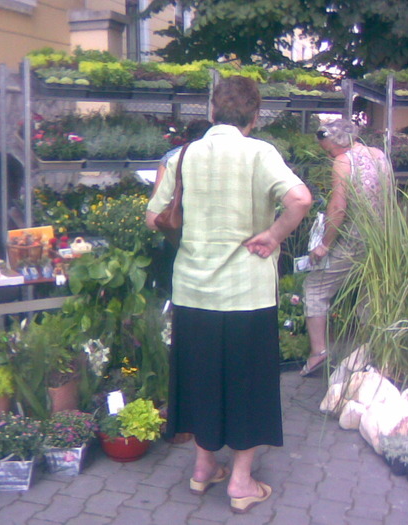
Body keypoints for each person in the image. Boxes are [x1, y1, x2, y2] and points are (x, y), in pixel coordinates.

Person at [146, 76, 311, 514]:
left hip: (194, 290)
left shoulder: (186, 154)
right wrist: (274, 235)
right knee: (246, 383)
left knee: (200, 376)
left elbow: (152, 217)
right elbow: (300, 199)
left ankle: (203, 469)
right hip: (246, 293)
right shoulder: (260, 152)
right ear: (255, 117)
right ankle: (240, 482)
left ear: (213, 111)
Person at [301, 119, 391, 376]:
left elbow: (338, 207)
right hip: (380, 236)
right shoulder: (379, 156)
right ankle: (370, 355)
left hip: (353, 236)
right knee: (367, 295)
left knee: (315, 287)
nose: (329, 155)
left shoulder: (344, 161)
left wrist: (324, 244)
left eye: (328, 150)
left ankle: (319, 353)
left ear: (339, 143)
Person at [150, 119, 212, 293]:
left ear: (186, 136)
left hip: (176, 226)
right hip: (205, 227)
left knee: (173, 272)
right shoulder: (214, 157)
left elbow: (158, 196)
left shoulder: (170, 157)